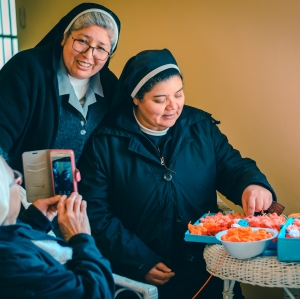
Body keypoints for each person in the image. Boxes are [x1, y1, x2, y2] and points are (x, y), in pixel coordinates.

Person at [77, 49, 276, 299]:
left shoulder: (199, 126)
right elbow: (95, 212)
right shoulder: (105, 143)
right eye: (160, 100)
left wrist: (252, 184)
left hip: (207, 268)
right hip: (145, 272)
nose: (173, 106)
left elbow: (231, 166)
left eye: (179, 94)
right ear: (136, 99)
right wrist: (139, 260)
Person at [0, 2, 121, 174]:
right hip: (18, 191)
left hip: (80, 197)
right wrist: (17, 195)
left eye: (101, 48)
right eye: (81, 41)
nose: (88, 55)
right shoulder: (26, 69)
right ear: (64, 37)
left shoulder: (110, 88)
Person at [0, 152, 115, 298]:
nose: (19, 181)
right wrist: (81, 237)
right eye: (12, 179)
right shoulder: (16, 265)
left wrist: (34, 220)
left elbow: (11, 240)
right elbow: (97, 293)